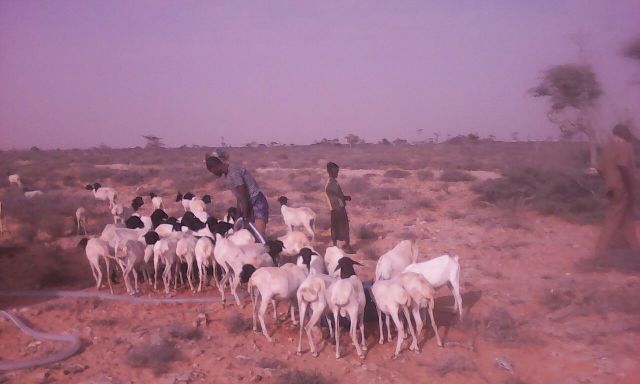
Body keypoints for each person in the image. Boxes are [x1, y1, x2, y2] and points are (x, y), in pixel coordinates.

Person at [595, 124, 639, 255]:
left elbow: (600, 169)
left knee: (627, 219)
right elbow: (623, 167)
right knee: (613, 219)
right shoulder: (624, 146)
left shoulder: (607, 148)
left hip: (611, 188)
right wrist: (630, 189)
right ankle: (600, 251)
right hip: (622, 188)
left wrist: (610, 182)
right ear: (624, 134)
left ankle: (634, 249)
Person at [205, 152, 268, 242]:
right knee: (249, 237)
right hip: (248, 204)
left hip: (257, 202)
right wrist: (239, 216)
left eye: (212, 171)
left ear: (215, 167)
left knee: (259, 237)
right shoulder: (228, 175)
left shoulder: (233, 171)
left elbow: (243, 194)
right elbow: (239, 197)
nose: (214, 174)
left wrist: (245, 216)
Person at [325, 162, 355, 254]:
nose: (337, 173)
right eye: (336, 171)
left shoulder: (331, 182)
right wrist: (345, 198)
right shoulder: (331, 183)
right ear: (330, 172)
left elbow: (336, 195)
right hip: (338, 208)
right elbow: (338, 196)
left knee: (335, 227)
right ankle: (347, 247)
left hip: (334, 209)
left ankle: (335, 247)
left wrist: (344, 197)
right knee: (344, 227)